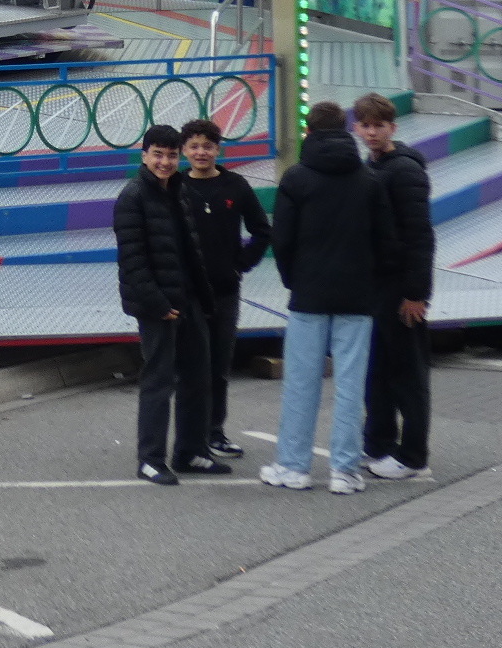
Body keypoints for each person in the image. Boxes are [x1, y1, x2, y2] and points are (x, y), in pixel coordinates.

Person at [264, 101, 398, 494]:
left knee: (301, 384)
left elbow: (282, 239)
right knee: (351, 386)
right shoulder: (369, 180)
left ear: (309, 131)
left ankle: (293, 467)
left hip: (309, 294)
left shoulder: (296, 178)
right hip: (357, 297)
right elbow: (386, 242)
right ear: (347, 129)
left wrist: (294, 280)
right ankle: (344, 470)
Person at [114, 123, 221, 485]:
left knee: (197, 376)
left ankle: (191, 451)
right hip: (158, 306)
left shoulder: (178, 191)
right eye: (157, 154)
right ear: (144, 155)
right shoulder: (132, 197)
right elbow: (133, 261)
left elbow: (190, 250)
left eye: (172, 155)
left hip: (187, 300)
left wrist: (202, 297)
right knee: (158, 381)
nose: (165, 162)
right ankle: (150, 459)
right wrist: (157, 304)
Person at [178, 116, 272, 458]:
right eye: (194, 146)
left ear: (218, 149)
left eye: (207, 146)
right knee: (192, 366)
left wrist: (240, 265)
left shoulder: (236, 185)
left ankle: (214, 432)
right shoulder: (176, 187)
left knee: (219, 366)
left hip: (225, 292)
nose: (201, 152)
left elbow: (262, 231)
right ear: (184, 151)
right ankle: (191, 436)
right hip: (188, 294)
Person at [354, 92, 435, 482]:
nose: (372, 133)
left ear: (392, 127)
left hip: (401, 287)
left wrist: (417, 292)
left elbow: (420, 235)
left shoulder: (404, 170)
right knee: (378, 369)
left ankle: (413, 455)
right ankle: (379, 444)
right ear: (356, 128)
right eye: (365, 125)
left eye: (379, 126)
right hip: (375, 285)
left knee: (407, 374)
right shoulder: (370, 166)